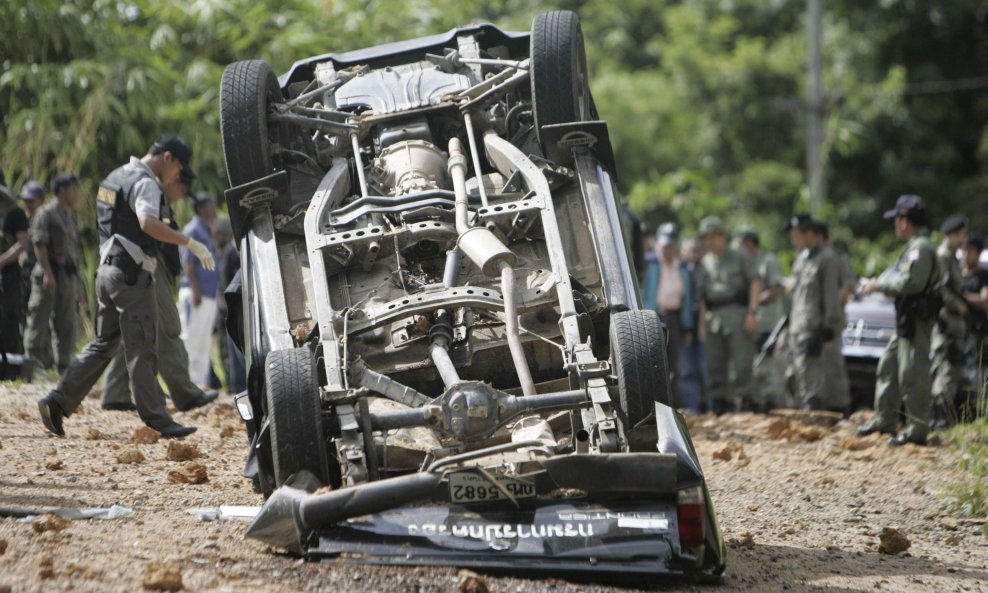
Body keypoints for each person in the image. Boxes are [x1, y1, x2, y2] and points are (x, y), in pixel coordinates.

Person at [37, 135, 215, 439]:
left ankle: (57, 401)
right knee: (143, 347)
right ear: (168, 158)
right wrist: (189, 242)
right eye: (179, 168)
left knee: (103, 344)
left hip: (106, 272)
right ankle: (159, 418)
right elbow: (147, 222)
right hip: (132, 276)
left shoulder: (114, 177)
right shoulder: (145, 182)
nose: (176, 177)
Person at [100, 170, 219, 412]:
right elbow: (154, 235)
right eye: (182, 189)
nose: (182, 196)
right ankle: (184, 392)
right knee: (168, 330)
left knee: (132, 331)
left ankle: (116, 392)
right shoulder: (148, 194)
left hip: (144, 270)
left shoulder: (147, 194)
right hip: (148, 269)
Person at [857, 195, 940, 446]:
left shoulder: (921, 247)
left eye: (897, 219)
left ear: (905, 222)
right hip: (906, 320)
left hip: (917, 320)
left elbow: (912, 283)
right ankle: (885, 419)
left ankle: (917, 430)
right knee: (889, 365)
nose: (895, 225)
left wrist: (879, 285)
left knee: (913, 374)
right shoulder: (913, 247)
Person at [696, 217, 762, 414]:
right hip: (713, 317)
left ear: (722, 236)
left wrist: (752, 312)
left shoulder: (739, 256)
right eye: (706, 238)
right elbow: (701, 296)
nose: (709, 242)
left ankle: (746, 403)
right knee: (714, 364)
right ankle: (720, 404)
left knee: (742, 364)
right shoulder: (705, 262)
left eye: (713, 237)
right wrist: (701, 324)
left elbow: (756, 282)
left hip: (737, 314)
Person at [23, 175, 82, 373]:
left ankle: (63, 365)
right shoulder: (45, 213)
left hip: (67, 275)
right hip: (48, 272)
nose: (77, 194)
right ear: (63, 191)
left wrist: (79, 285)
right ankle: (32, 363)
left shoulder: (68, 216)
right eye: (74, 189)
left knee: (66, 322)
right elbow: (39, 244)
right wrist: (47, 273)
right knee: (39, 317)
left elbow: (72, 251)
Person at [787, 215, 843, 411]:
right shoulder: (801, 259)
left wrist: (829, 326)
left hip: (813, 326)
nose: (794, 240)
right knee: (797, 375)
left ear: (809, 234)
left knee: (813, 377)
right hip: (798, 325)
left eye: (797, 235)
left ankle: (815, 419)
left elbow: (831, 296)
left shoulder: (826, 259)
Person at [641, 223, 695, 409]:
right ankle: (656, 407)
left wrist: (688, 327)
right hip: (654, 318)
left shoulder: (682, 267)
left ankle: (675, 406)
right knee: (655, 364)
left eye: (671, 246)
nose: (667, 250)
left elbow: (687, 299)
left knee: (676, 367)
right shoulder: (649, 263)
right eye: (664, 246)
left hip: (675, 319)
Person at [739, 229, 787, 411]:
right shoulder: (747, 264)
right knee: (756, 364)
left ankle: (773, 404)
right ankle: (759, 402)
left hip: (768, 321)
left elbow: (775, 290)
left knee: (768, 363)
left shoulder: (767, 261)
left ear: (749, 243)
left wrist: (754, 299)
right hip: (755, 323)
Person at [930, 215, 968, 429]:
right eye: (961, 235)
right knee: (945, 367)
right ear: (951, 235)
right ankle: (939, 417)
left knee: (951, 368)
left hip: (954, 323)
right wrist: (958, 305)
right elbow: (941, 289)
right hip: (946, 322)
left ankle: (942, 416)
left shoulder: (953, 257)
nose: (963, 239)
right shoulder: (943, 256)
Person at [178, 193, 220, 387]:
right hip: (197, 294)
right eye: (212, 205)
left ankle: (201, 385)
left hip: (209, 294)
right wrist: (195, 290)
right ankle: (187, 384)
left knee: (204, 343)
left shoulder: (206, 229)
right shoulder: (193, 229)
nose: (216, 208)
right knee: (192, 341)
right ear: (203, 208)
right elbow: (189, 262)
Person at [813, 221, 852, 414]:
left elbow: (847, 288)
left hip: (832, 319)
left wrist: (832, 308)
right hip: (815, 320)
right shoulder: (812, 259)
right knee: (817, 365)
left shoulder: (837, 259)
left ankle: (841, 406)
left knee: (833, 364)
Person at [0, 171, 30, 358]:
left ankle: (10, 361)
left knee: (9, 317)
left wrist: (1, 261)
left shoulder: (15, 212)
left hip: (8, 274)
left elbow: (22, 243)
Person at [215, 215, 246, 394]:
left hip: (239, 305)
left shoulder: (232, 250)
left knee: (237, 349)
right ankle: (239, 388)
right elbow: (224, 281)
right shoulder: (233, 250)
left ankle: (240, 388)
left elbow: (224, 282)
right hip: (237, 304)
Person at [678, 236, 706, 413]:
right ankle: (691, 407)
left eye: (697, 249)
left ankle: (708, 405)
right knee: (686, 367)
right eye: (690, 249)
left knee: (704, 365)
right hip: (683, 321)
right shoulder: (678, 269)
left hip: (702, 319)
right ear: (682, 251)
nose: (694, 252)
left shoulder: (706, 269)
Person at [960, 236, 988, 419]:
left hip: (976, 333)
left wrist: (964, 296)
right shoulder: (959, 274)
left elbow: (985, 300)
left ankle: (978, 415)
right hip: (956, 333)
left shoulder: (983, 275)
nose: (964, 255)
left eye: (968, 251)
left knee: (976, 375)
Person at [17, 181, 46, 343]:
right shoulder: (21, 221)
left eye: (30, 201)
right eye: (25, 201)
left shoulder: (46, 220)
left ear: (41, 200)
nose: (27, 205)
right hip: (23, 277)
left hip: (40, 277)